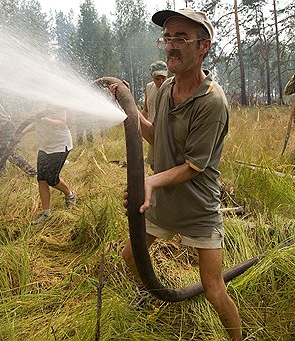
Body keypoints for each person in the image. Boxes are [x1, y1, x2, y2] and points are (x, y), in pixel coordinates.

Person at [117, 8, 242, 341]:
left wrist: (149, 181)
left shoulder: (212, 102)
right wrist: (129, 111)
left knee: (214, 289)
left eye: (181, 38)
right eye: (168, 38)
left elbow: (193, 166)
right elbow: (159, 137)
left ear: (204, 46)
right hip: (162, 200)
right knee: (131, 255)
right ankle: (153, 293)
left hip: (198, 209)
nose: (171, 46)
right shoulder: (163, 90)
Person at [20, 105, 77, 224]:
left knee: (51, 179)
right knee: (41, 179)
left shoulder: (55, 104)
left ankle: (70, 195)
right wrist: (22, 133)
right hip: (44, 147)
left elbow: (62, 123)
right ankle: (46, 213)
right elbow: (36, 123)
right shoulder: (36, 104)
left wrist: (44, 119)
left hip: (60, 146)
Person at [142, 60, 168, 171]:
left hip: (166, 134)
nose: (161, 81)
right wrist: (140, 129)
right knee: (153, 165)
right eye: (157, 78)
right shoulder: (149, 87)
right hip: (152, 132)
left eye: (163, 78)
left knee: (166, 166)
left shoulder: (172, 88)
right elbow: (146, 110)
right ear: (152, 77)